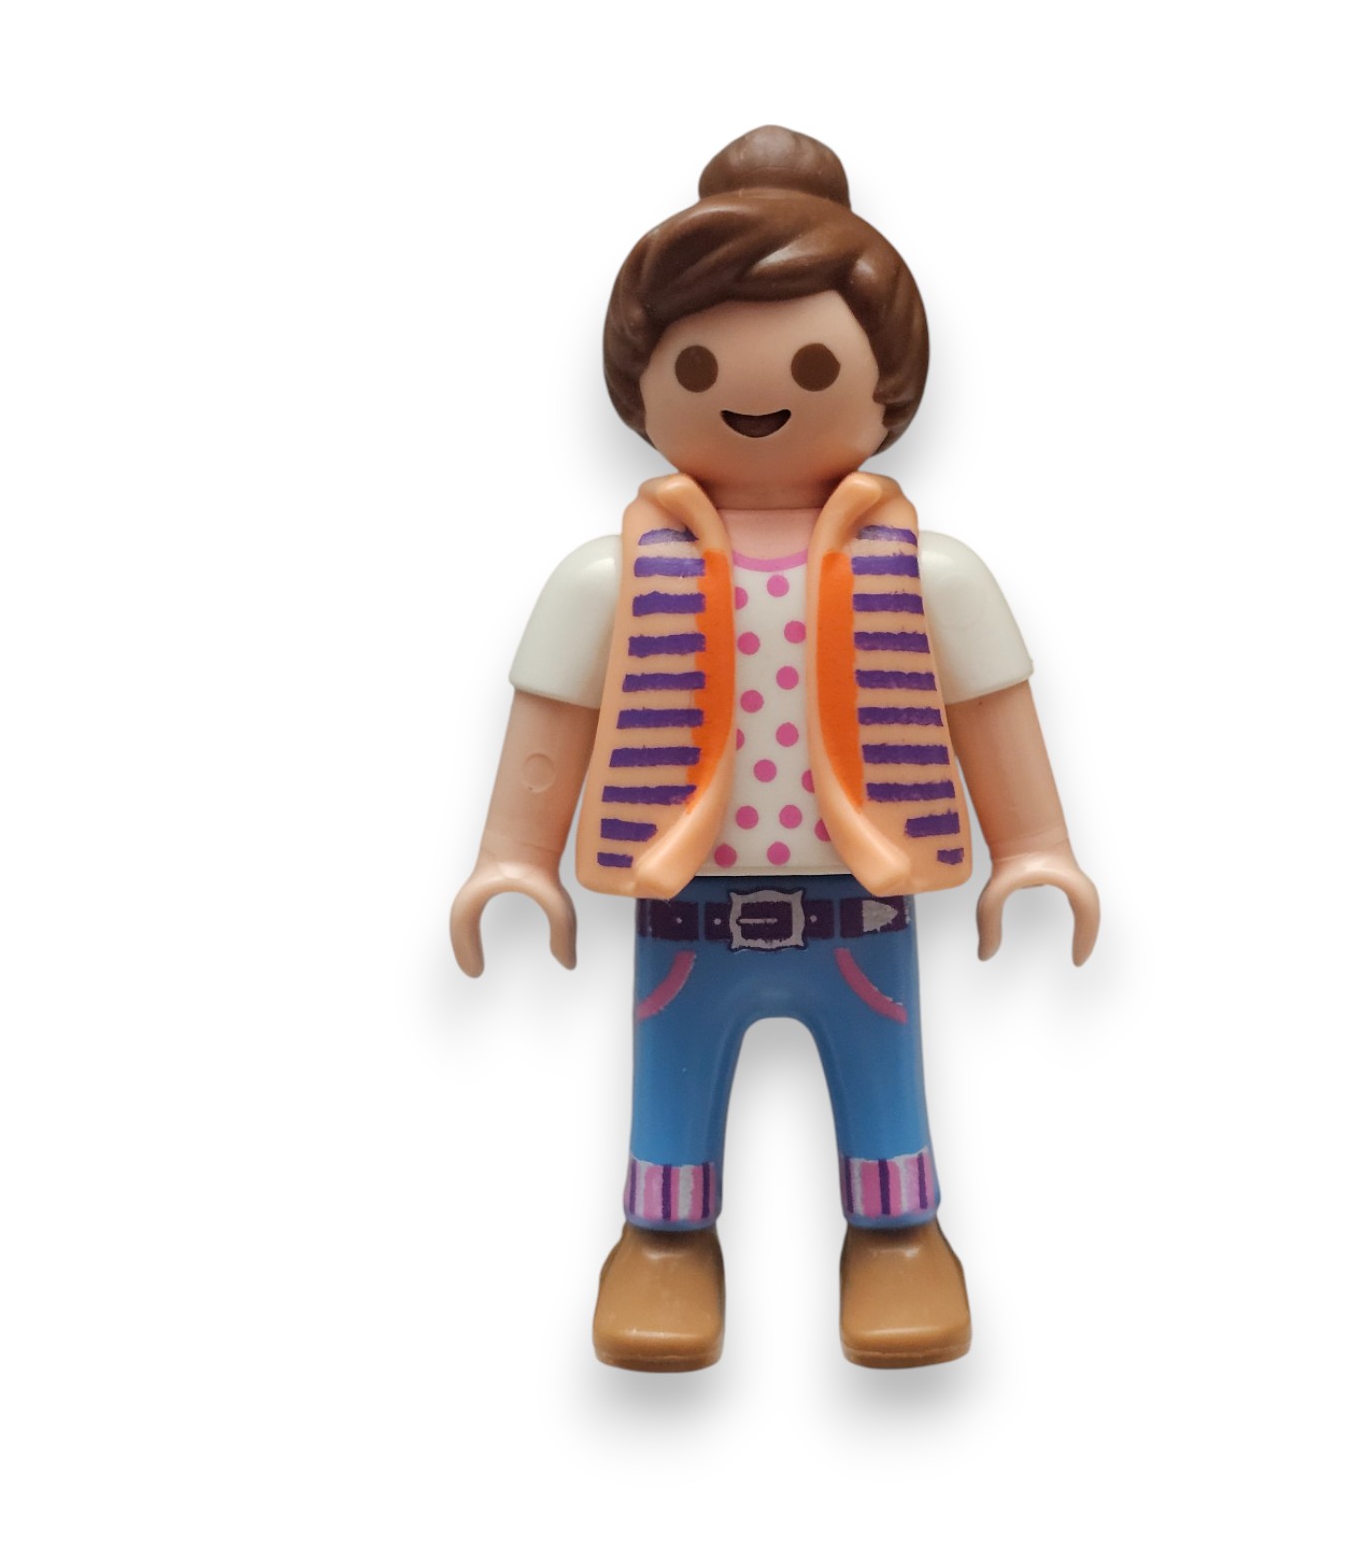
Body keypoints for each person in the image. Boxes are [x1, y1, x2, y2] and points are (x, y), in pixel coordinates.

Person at [451, 126, 1099, 1371]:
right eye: (696, 362)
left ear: (888, 385)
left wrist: (1034, 846)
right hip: (683, 903)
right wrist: (514, 857)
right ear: (641, 384)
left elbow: (990, 712)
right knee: (670, 1085)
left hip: (864, 903)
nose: (757, 393)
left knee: (884, 1078)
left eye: (814, 362)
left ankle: (898, 1235)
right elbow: (551, 726)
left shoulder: (928, 575)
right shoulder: (608, 581)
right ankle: (662, 1242)